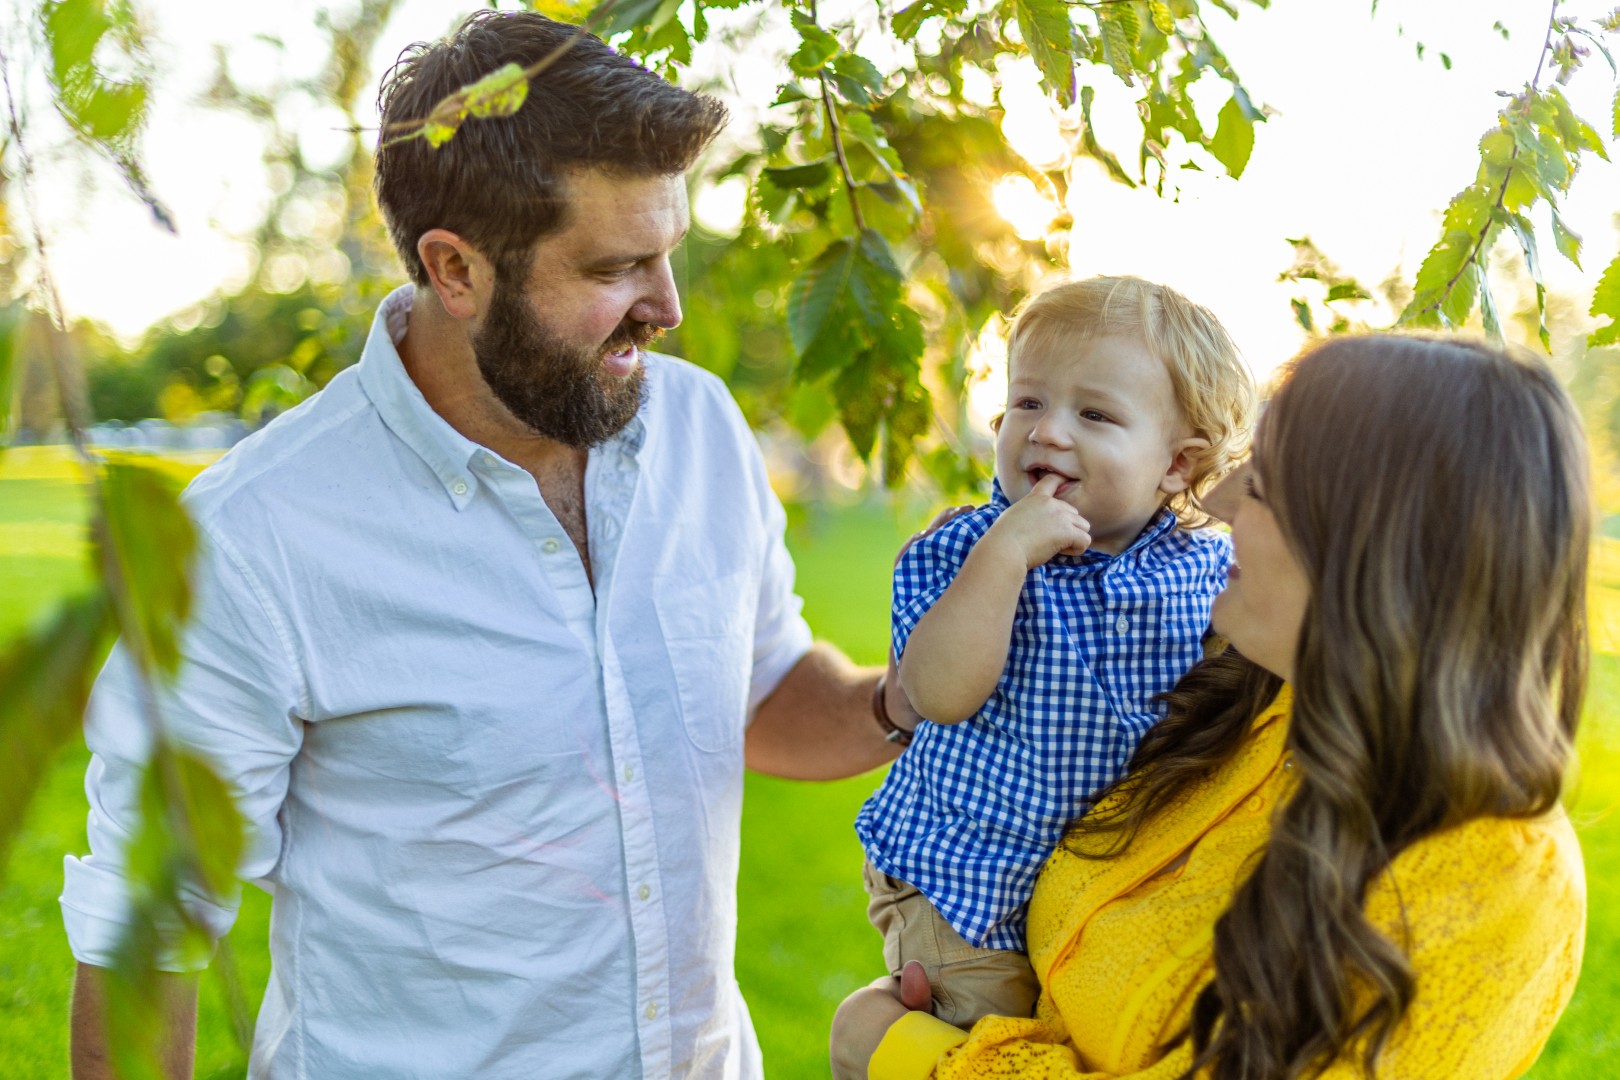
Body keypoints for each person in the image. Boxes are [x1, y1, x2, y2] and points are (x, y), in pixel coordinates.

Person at [62, 12, 914, 1079]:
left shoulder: (698, 430)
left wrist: (922, 691)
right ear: (455, 268)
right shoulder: (251, 540)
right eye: (618, 266)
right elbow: (147, 929)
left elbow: (764, 693)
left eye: (668, 253)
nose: (669, 306)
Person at [833, 333, 1589, 1079]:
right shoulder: (1248, 707)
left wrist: (906, 1054)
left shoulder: (1497, 885)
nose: (1217, 500)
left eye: (1260, 485)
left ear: (1373, 548)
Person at [854, 277, 1256, 1027]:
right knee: (988, 1034)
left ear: (1177, 465)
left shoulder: (1200, 567)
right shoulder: (966, 548)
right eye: (1028, 403)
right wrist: (1004, 559)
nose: (1046, 432)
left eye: (1094, 414)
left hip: (1094, 888)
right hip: (959, 877)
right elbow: (936, 695)